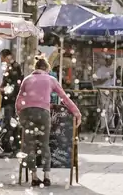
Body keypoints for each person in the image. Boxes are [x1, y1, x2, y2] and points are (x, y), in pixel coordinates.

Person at [14, 56, 80, 187]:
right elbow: (64, 98)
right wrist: (76, 112)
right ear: (47, 68)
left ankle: (33, 176)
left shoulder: (27, 80)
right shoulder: (51, 80)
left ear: (35, 67)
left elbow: (18, 101)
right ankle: (46, 176)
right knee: (44, 145)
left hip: (27, 113)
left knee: (30, 145)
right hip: (43, 113)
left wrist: (20, 114)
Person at [0, 48, 24, 158]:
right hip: (11, 100)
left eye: (2, 58)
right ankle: (15, 149)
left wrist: (0, 90)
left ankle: (8, 149)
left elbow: (13, 87)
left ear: (7, 56)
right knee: (13, 125)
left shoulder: (14, 68)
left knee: (8, 124)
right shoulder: (12, 68)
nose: (2, 60)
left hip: (11, 101)